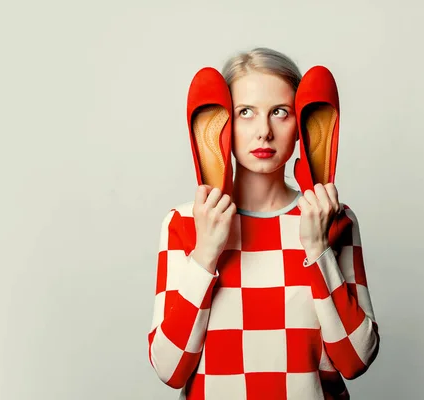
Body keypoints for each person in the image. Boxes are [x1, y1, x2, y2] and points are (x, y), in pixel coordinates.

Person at [147, 48, 380, 399]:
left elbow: (356, 359)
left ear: (302, 126)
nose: (263, 132)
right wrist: (207, 252)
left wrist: (318, 248)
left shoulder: (334, 219)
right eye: (246, 113)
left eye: (279, 113)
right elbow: (169, 369)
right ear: (222, 124)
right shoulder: (184, 223)